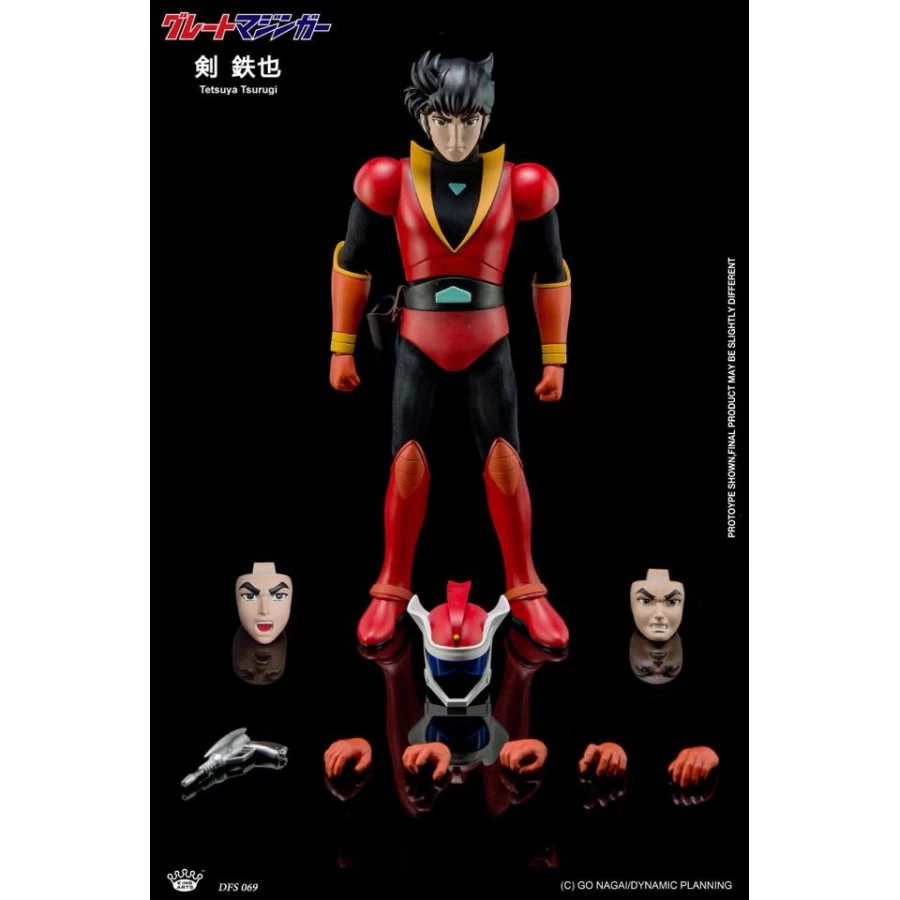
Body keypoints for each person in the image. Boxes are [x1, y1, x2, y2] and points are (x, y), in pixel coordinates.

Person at [329, 50, 572, 650]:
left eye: (469, 121)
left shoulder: (523, 183)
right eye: (443, 120)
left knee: (506, 461)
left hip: (491, 340)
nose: (456, 136)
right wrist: (340, 346)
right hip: (418, 339)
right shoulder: (389, 178)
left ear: (486, 119)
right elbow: (352, 260)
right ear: (423, 118)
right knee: (407, 461)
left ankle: (525, 587)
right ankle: (391, 587)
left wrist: (555, 356)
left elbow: (551, 270)